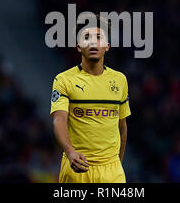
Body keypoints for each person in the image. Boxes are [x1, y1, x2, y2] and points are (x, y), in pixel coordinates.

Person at [50, 14, 131, 183]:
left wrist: (117, 165)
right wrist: (70, 152)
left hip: (112, 171)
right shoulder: (64, 80)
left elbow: (122, 127)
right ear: (79, 46)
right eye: (87, 37)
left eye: (99, 37)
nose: (93, 42)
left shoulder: (120, 80)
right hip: (76, 168)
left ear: (107, 46)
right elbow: (59, 120)